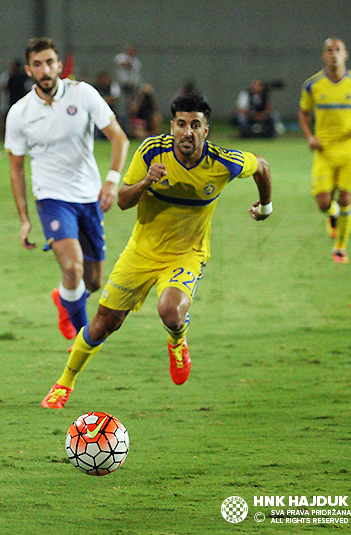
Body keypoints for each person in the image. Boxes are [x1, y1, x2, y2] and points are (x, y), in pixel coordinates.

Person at [41, 92, 273, 409]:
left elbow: (261, 166)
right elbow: (122, 201)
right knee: (103, 323)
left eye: (195, 125)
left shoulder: (223, 163)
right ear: (172, 126)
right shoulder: (152, 151)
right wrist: (146, 182)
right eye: (180, 124)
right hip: (141, 252)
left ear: (206, 130)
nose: (187, 131)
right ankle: (64, 383)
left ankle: (177, 341)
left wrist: (266, 205)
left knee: (171, 311)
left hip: (186, 254)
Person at [5, 38, 129, 342]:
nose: (45, 70)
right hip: (51, 199)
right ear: (29, 70)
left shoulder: (83, 94)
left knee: (94, 281)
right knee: (72, 267)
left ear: (60, 66)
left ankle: (63, 298)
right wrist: (24, 217)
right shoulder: (20, 113)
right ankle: (84, 339)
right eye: (37, 64)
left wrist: (112, 180)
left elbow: (119, 138)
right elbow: (16, 168)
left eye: (50, 63)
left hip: (89, 198)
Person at [299, 38, 351, 264]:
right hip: (325, 149)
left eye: (338, 50)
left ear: (346, 55)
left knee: (346, 198)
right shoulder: (312, 85)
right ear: (324, 56)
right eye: (329, 51)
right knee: (323, 202)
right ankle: (332, 215)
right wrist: (310, 136)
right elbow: (303, 113)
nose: (334, 55)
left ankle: (340, 248)